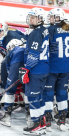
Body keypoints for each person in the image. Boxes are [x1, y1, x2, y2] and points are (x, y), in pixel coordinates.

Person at [19, 7, 49, 135]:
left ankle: (36, 124)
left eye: (33, 17)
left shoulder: (36, 33)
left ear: (40, 19)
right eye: (30, 17)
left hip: (36, 70)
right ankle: (42, 123)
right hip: (44, 69)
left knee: (32, 97)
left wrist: (27, 69)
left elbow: (33, 54)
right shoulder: (45, 31)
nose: (30, 19)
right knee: (39, 96)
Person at [0, 21, 27, 112]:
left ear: (5, 31)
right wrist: (0, 58)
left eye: (0, 31)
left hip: (20, 59)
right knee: (4, 81)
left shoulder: (14, 36)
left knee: (24, 83)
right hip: (7, 59)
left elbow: (27, 45)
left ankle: (26, 103)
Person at [43, 8, 69, 131]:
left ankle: (47, 120)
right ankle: (62, 120)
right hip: (66, 67)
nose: (51, 19)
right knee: (62, 93)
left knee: (48, 94)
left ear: (58, 17)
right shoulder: (68, 28)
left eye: (53, 17)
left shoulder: (50, 29)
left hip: (52, 67)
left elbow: (43, 48)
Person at [0, 39, 25, 127]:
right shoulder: (26, 47)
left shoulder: (12, 51)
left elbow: (5, 66)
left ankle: (7, 117)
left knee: (10, 90)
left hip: (16, 63)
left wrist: (5, 84)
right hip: (29, 63)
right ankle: (30, 118)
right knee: (28, 90)